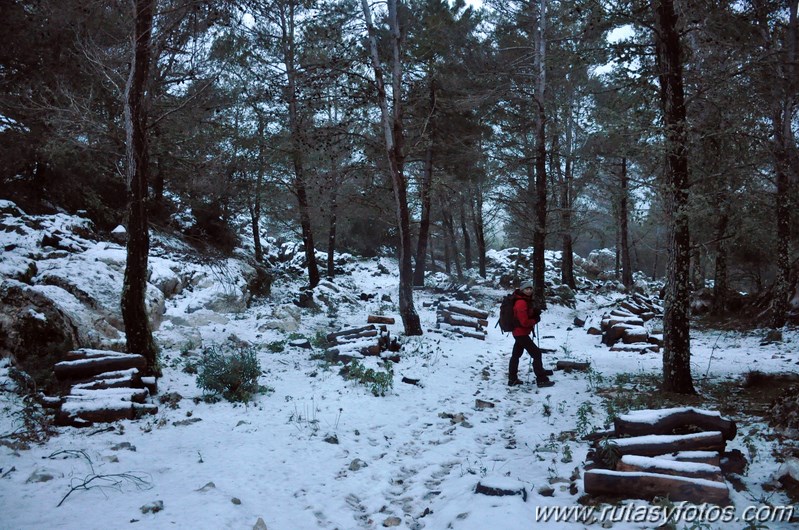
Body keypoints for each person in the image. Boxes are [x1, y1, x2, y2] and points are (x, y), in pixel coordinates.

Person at [508, 280, 554, 387]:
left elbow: (525, 316)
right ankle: (541, 379)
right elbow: (524, 322)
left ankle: (512, 379)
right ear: (522, 290)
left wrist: (534, 313)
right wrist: (535, 319)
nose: (529, 291)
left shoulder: (524, 300)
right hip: (521, 333)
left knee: (516, 355)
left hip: (519, 332)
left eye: (530, 289)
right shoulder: (521, 303)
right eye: (526, 289)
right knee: (536, 353)